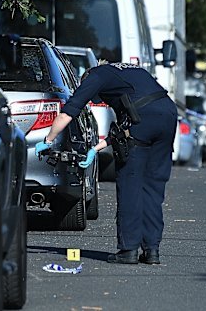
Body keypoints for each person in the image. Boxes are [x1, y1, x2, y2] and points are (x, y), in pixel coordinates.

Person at [35, 62, 177, 264]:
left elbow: (69, 112)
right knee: (153, 187)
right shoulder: (131, 71)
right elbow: (124, 131)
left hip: (143, 119)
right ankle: (152, 250)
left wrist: (48, 140)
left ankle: (129, 250)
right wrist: (95, 149)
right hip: (168, 116)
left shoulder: (96, 76)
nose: (98, 100)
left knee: (131, 186)